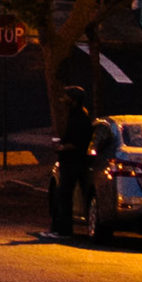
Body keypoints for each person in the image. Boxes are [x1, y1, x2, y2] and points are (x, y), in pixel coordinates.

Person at [48, 84, 95, 236]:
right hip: (74, 161)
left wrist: (62, 148)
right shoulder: (76, 115)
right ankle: (64, 228)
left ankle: (64, 229)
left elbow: (77, 142)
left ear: (73, 100)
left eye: (67, 96)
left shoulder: (79, 117)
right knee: (68, 194)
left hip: (73, 162)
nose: (63, 99)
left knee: (65, 194)